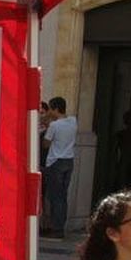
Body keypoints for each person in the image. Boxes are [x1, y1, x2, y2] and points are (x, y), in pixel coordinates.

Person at [43, 96, 77, 237]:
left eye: (50, 108)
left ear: (56, 109)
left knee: (54, 196)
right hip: (69, 160)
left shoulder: (54, 126)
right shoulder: (73, 121)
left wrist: (47, 126)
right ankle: (59, 226)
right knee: (62, 195)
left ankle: (56, 229)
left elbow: (46, 143)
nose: (49, 111)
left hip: (55, 162)